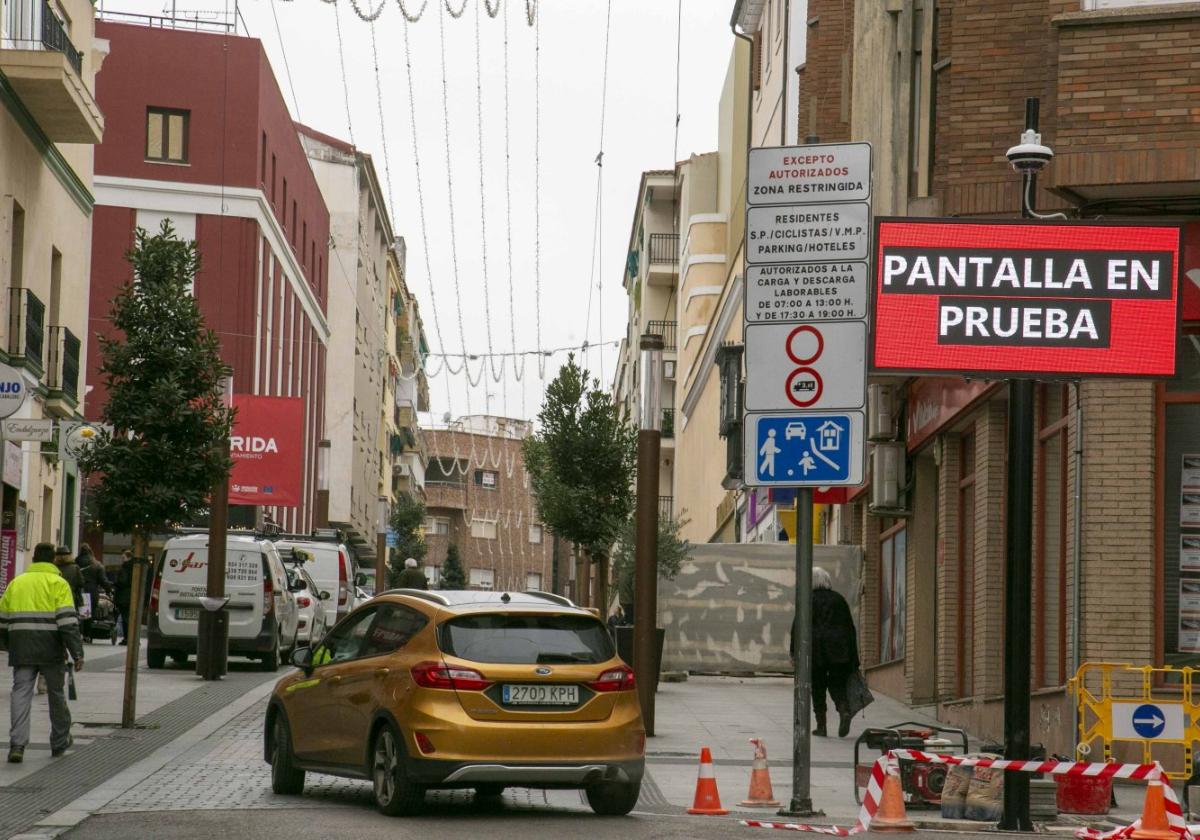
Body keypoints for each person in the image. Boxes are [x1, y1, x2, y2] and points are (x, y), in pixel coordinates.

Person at [0, 542, 85, 763]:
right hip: (52, 649)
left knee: (20, 694)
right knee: (56, 695)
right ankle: (59, 741)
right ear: (53, 560)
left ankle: (17, 745)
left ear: (34, 559)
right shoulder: (59, 583)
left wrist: (8, 644)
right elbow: (67, 622)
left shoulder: (16, 583)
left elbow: (2, 619)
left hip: (22, 648)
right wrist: (76, 652)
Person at [790, 566, 859, 738]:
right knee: (837, 683)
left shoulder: (808, 600)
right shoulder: (839, 600)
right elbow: (850, 628)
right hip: (839, 651)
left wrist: (793, 652)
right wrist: (853, 656)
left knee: (818, 686)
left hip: (815, 651)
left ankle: (821, 726)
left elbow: (797, 626)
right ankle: (844, 710)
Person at [113, 550, 136, 645]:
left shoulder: (125, 568)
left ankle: (127, 638)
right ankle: (132, 638)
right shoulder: (135, 567)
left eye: (123, 558)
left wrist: (116, 583)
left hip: (124, 596)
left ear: (128, 557)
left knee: (125, 618)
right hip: (132, 596)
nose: (122, 560)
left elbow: (122, 581)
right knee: (131, 618)